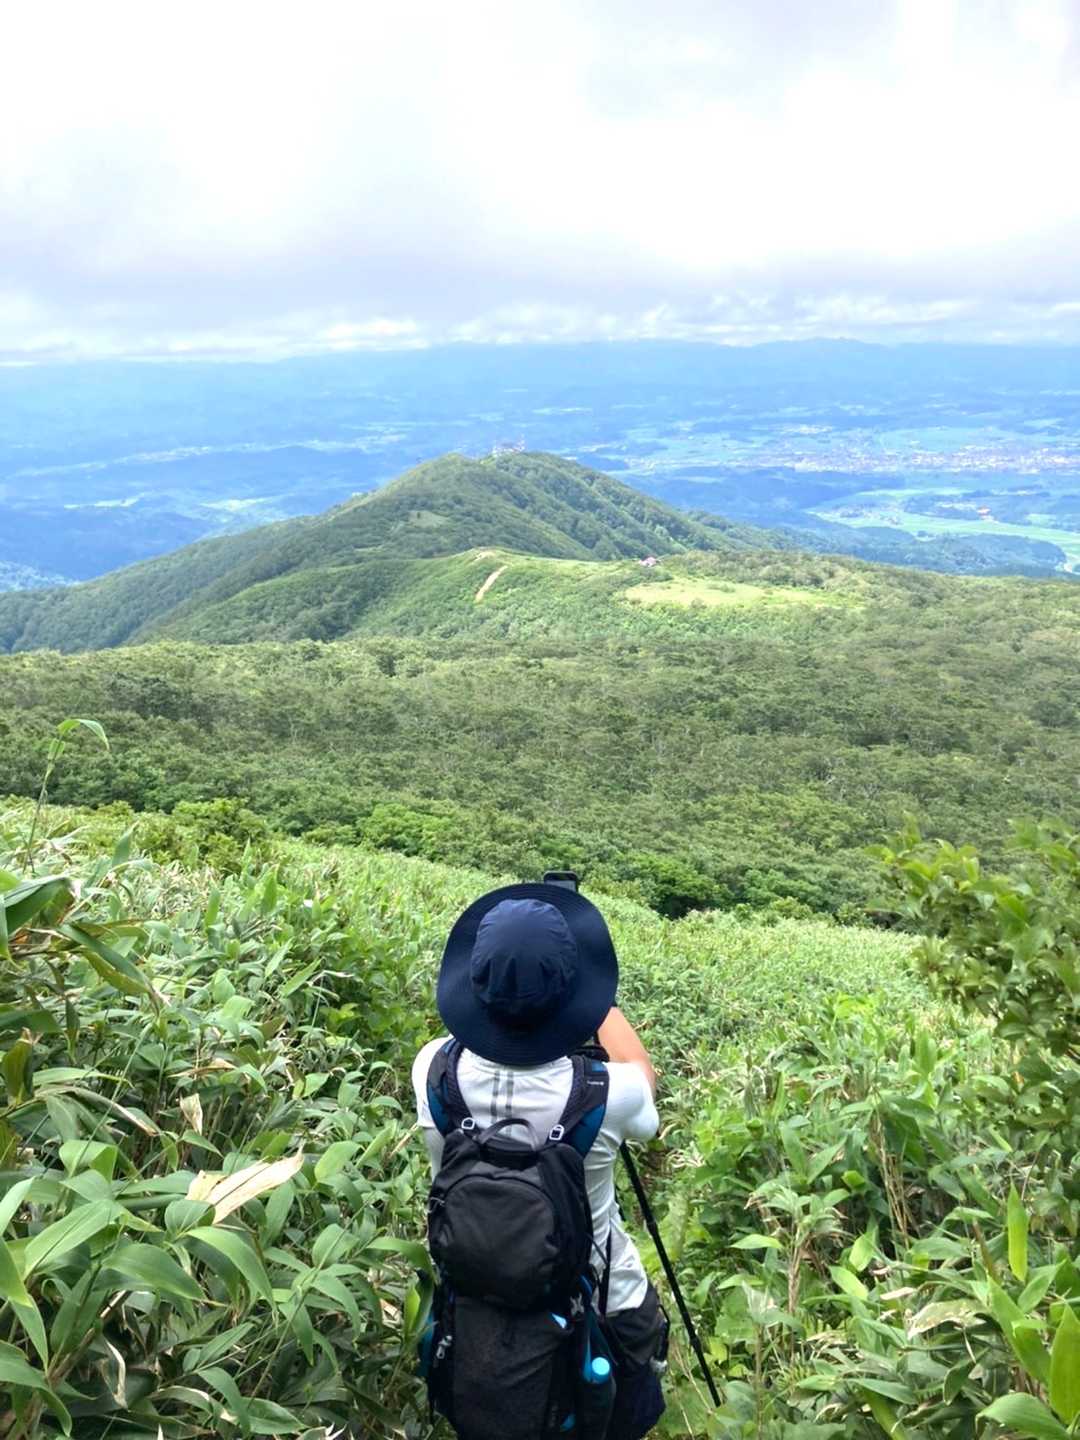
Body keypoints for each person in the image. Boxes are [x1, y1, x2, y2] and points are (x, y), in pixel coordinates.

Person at [413, 882, 667, 1440]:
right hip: (602, 1308)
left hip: (475, 1307)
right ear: (574, 996)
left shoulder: (432, 1069)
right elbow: (646, 1087)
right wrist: (600, 1008)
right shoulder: (611, 1092)